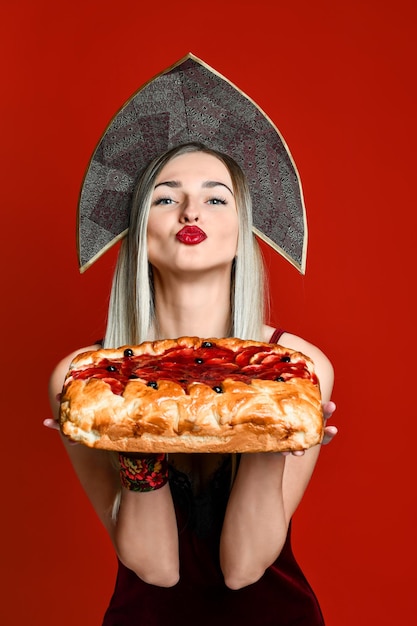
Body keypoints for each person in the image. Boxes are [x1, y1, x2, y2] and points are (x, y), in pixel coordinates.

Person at [47, 141, 336, 625]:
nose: (190, 211)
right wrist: (130, 435)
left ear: (244, 232)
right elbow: (156, 569)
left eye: (215, 197)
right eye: (165, 197)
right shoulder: (84, 377)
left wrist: (273, 439)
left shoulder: (296, 368)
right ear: (139, 232)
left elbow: (244, 568)